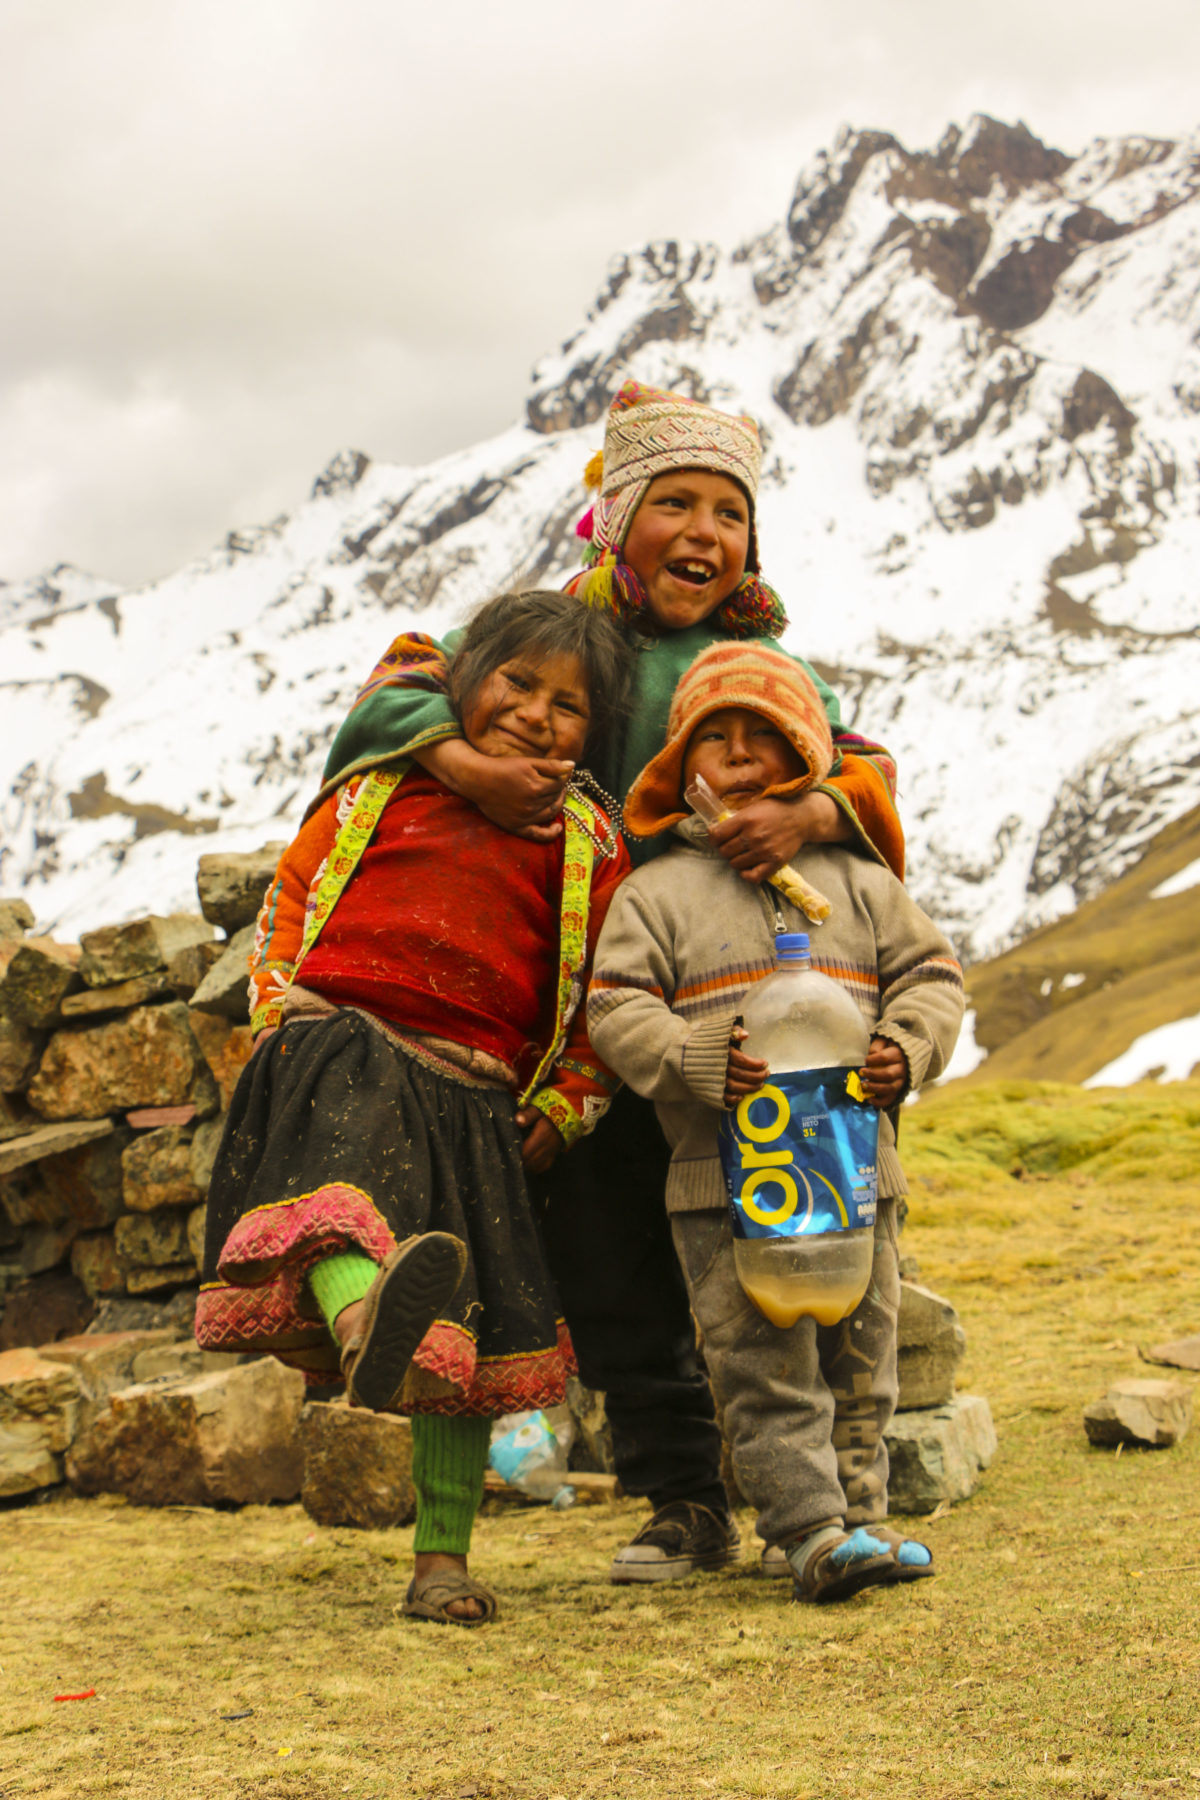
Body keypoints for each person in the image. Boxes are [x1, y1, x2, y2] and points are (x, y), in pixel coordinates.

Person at [311, 379, 906, 1583]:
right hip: (569, 1017)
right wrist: (464, 765)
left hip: (740, 1012)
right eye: (673, 503)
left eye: (727, 512)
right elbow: (395, 694)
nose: (702, 533)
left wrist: (806, 807)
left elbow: (868, 781)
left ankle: (832, 1495)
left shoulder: (768, 668)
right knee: (610, 1253)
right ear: (616, 515)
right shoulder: (547, 637)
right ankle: (683, 1498)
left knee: (772, 1240)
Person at [195, 590, 633, 1626]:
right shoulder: (389, 781)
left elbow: (596, 994)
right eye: (515, 682)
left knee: (468, 1341)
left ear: (594, 733)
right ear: (463, 683)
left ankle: (442, 1560)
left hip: (477, 1093)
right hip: (343, 1038)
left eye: (566, 706)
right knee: (338, 1203)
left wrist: (568, 1104)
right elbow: (295, 891)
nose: (534, 713)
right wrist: (274, 1012)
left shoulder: (585, 842)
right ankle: (361, 1324)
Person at [585, 641, 964, 1602]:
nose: (743, 754)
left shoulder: (860, 879)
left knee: (862, 1353)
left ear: (808, 761)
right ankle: (807, 1529)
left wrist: (904, 1049)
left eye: (768, 736)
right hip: (724, 1189)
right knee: (762, 1363)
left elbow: (932, 977)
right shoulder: (655, 894)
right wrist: (698, 1061)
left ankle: (861, 1518)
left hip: (858, 1177)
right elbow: (616, 1010)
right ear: (680, 770)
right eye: (718, 737)